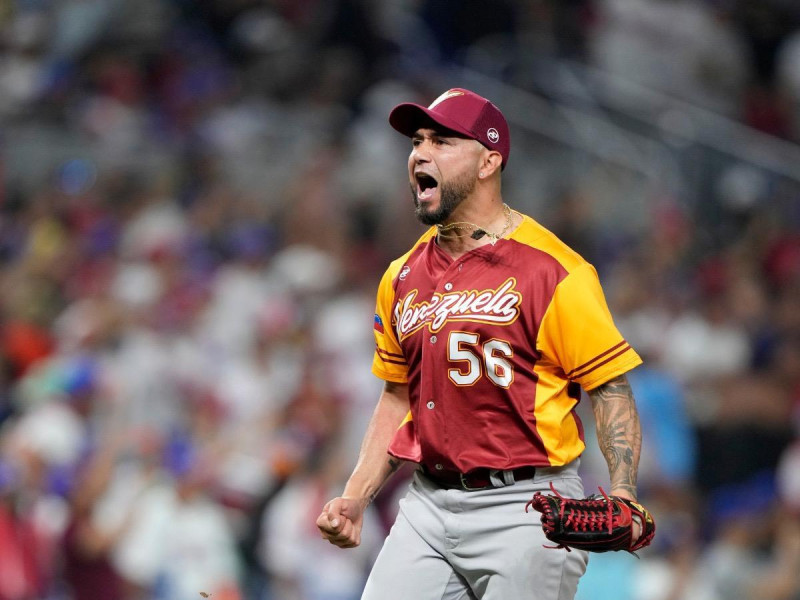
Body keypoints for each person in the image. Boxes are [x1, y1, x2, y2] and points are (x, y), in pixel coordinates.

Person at [316, 87, 645, 599]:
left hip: (527, 508)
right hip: (426, 503)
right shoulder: (401, 276)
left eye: (442, 141)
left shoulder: (555, 271)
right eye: (417, 141)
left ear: (489, 160)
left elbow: (610, 387)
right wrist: (357, 495)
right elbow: (397, 396)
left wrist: (623, 492)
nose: (421, 153)